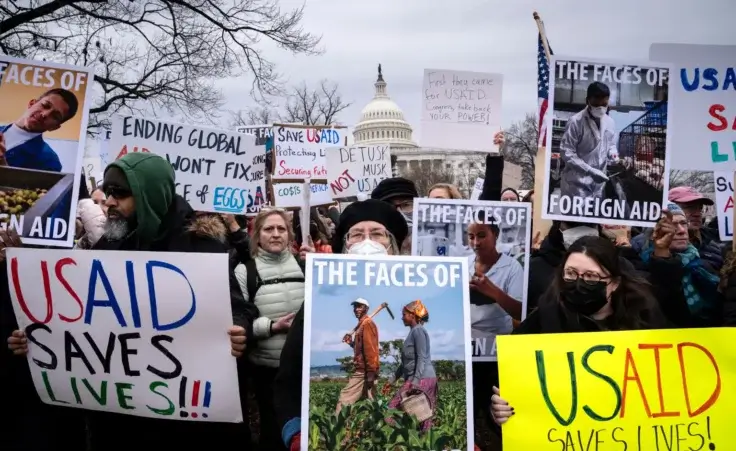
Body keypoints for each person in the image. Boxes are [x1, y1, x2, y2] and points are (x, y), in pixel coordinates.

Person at [7, 152, 259, 448]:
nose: (110, 201)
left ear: (149, 195)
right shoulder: (112, 242)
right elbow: (75, 315)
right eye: (108, 191)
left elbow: (241, 308)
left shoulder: (199, 246)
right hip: (122, 422)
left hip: (184, 425)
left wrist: (241, 329)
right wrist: (36, 338)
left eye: (120, 193)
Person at [490, 236, 670, 426]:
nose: (578, 282)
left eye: (591, 276)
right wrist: (499, 410)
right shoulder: (544, 318)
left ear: (615, 283)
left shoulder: (645, 321)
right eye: (571, 273)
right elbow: (506, 378)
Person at [273, 199, 408, 451]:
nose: (367, 241)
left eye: (377, 233)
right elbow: (289, 375)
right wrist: (296, 433)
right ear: (345, 245)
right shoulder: (317, 298)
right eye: (357, 234)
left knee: (380, 404)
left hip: (371, 370)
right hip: (364, 370)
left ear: (392, 244)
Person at [235, 207, 307, 451]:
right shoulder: (245, 271)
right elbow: (238, 321)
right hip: (267, 370)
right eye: (268, 229)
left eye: (281, 229)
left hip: (301, 369)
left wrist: (319, 265)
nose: (276, 234)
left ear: (289, 234)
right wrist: (272, 327)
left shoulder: (304, 266)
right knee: (273, 433)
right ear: (257, 236)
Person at [558, 81, 617, 203]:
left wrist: (613, 154)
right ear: (587, 101)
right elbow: (567, 152)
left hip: (598, 184)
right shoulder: (576, 122)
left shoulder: (610, 122)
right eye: (596, 104)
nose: (600, 108)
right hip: (576, 184)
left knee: (595, 219)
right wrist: (589, 170)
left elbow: (610, 144)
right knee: (574, 221)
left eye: (604, 104)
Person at [0, 88, 79, 172]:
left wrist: (3, 168)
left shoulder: (49, 162)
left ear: (54, 127)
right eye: (45, 105)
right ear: (31, 103)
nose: (44, 114)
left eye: (55, 116)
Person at [387, 300, 437, 432]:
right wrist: (391, 380)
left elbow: (421, 358)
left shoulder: (418, 331)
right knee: (421, 417)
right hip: (419, 378)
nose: (402, 317)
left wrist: (414, 382)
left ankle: (409, 438)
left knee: (391, 410)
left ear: (412, 315)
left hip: (422, 378)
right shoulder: (412, 332)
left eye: (404, 314)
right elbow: (405, 364)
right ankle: (415, 441)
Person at [336, 297, 380, 414]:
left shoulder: (367, 324)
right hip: (365, 370)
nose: (356, 309)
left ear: (366, 309)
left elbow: (370, 350)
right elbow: (361, 348)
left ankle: (335, 427)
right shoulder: (361, 325)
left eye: (359, 306)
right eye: (355, 307)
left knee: (344, 398)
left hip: (364, 371)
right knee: (368, 405)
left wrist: (370, 373)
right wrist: (351, 342)